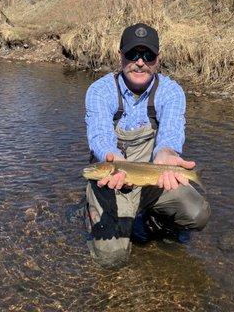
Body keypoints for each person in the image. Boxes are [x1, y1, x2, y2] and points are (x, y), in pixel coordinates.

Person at [84, 22, 210, 268]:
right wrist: (111, 156)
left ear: (158, 59)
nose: (140, 62)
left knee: (197, 213)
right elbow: (99, 135)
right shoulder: (100, 91)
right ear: (120, 56)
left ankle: (155, 219)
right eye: (132, 54)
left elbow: (171, 133)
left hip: (152, 181)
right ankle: (93, 213)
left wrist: (167, 151)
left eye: (148, 55)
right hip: (112, 184)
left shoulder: (171, 92)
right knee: (111, 259)